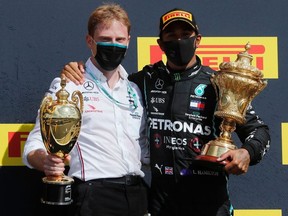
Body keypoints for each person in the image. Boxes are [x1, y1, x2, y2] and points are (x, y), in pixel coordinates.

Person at [61, 8, 271, 216]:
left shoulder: (219, 84)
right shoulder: (142, 82)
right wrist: (79, 69)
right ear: (161, 44)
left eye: (185, 35)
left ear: (197, 40)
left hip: (210, 206)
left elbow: (259, 131)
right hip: (161, 206)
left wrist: (246, 152)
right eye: (171, 35)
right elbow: (107, 79)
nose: (179, 41)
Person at [22, 3, 149, 216]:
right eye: (106, 39)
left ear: (128, 41)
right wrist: (47, 161)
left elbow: (144, 149)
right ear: (90, 41)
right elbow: (34, 145)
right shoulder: (69, 86)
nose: (114, 45)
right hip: (94, 196)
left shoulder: (135, 90)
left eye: (119, 40)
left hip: (138, 195)